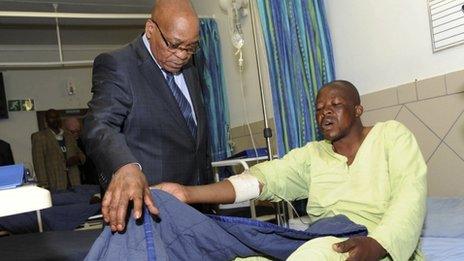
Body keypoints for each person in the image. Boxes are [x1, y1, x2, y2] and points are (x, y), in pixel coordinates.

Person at [157, 80, 427, 260]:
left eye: (335, 105)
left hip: (373, 240)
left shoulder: (391, 136)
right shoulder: (313, 154)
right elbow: (263, 180)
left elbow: (409, 196)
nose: (325, 114)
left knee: (311, 256)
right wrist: (186, 193)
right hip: (323, 235)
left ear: (358, 109)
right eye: (319, 109)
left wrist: (378, 245)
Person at [82, 0, 212, 232]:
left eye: (191, 47)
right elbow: (100, 125)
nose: (182, 55)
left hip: (197, 206)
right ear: (151, 29)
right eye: (174, 45)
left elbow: (189, 134)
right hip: (150, 213)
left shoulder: (192, 65)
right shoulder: (119, 64)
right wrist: (125, 166)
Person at [32, 109, 86, 191]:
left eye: (57, 117)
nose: (55, 119)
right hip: (54, 185)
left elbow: (82, 156)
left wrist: (78, 159)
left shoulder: (69, 135)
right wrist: (44, 186)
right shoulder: (39, 137)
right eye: (51, 117)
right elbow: (39, 165)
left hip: (74, 183)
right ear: (46, 121)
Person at [63, 117, 99, 185]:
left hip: (89, 179)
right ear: (66, 130)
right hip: (71, 180)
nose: (76, 134)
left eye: (78, 131)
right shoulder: (63, 142)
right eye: (73, 132)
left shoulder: (86, 141)